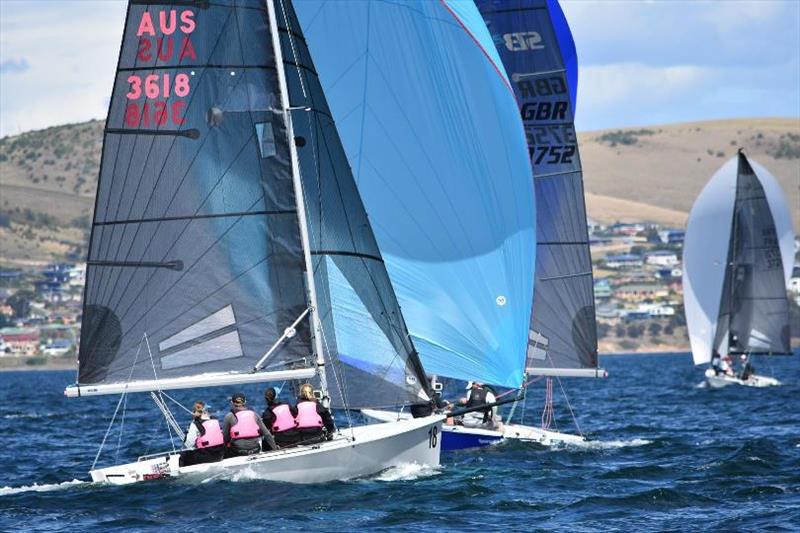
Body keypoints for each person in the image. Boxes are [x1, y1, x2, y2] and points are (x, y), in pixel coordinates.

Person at [222, 392, 277, 457]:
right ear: (245, 402)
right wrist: (275, 449)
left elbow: (225, 438)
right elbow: (267, 434)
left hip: (238, 452)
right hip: (255, 450)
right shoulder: (254, 415)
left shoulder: (229, 417)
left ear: (232, 403)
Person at [179, 401, 226, 467]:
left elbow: (188, 444)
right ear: (205, 411)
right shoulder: (215, 420)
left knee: (183, 456)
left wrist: (186, 434)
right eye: (207, 410)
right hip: (220, 455)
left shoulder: (195, 424)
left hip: (206, 457)